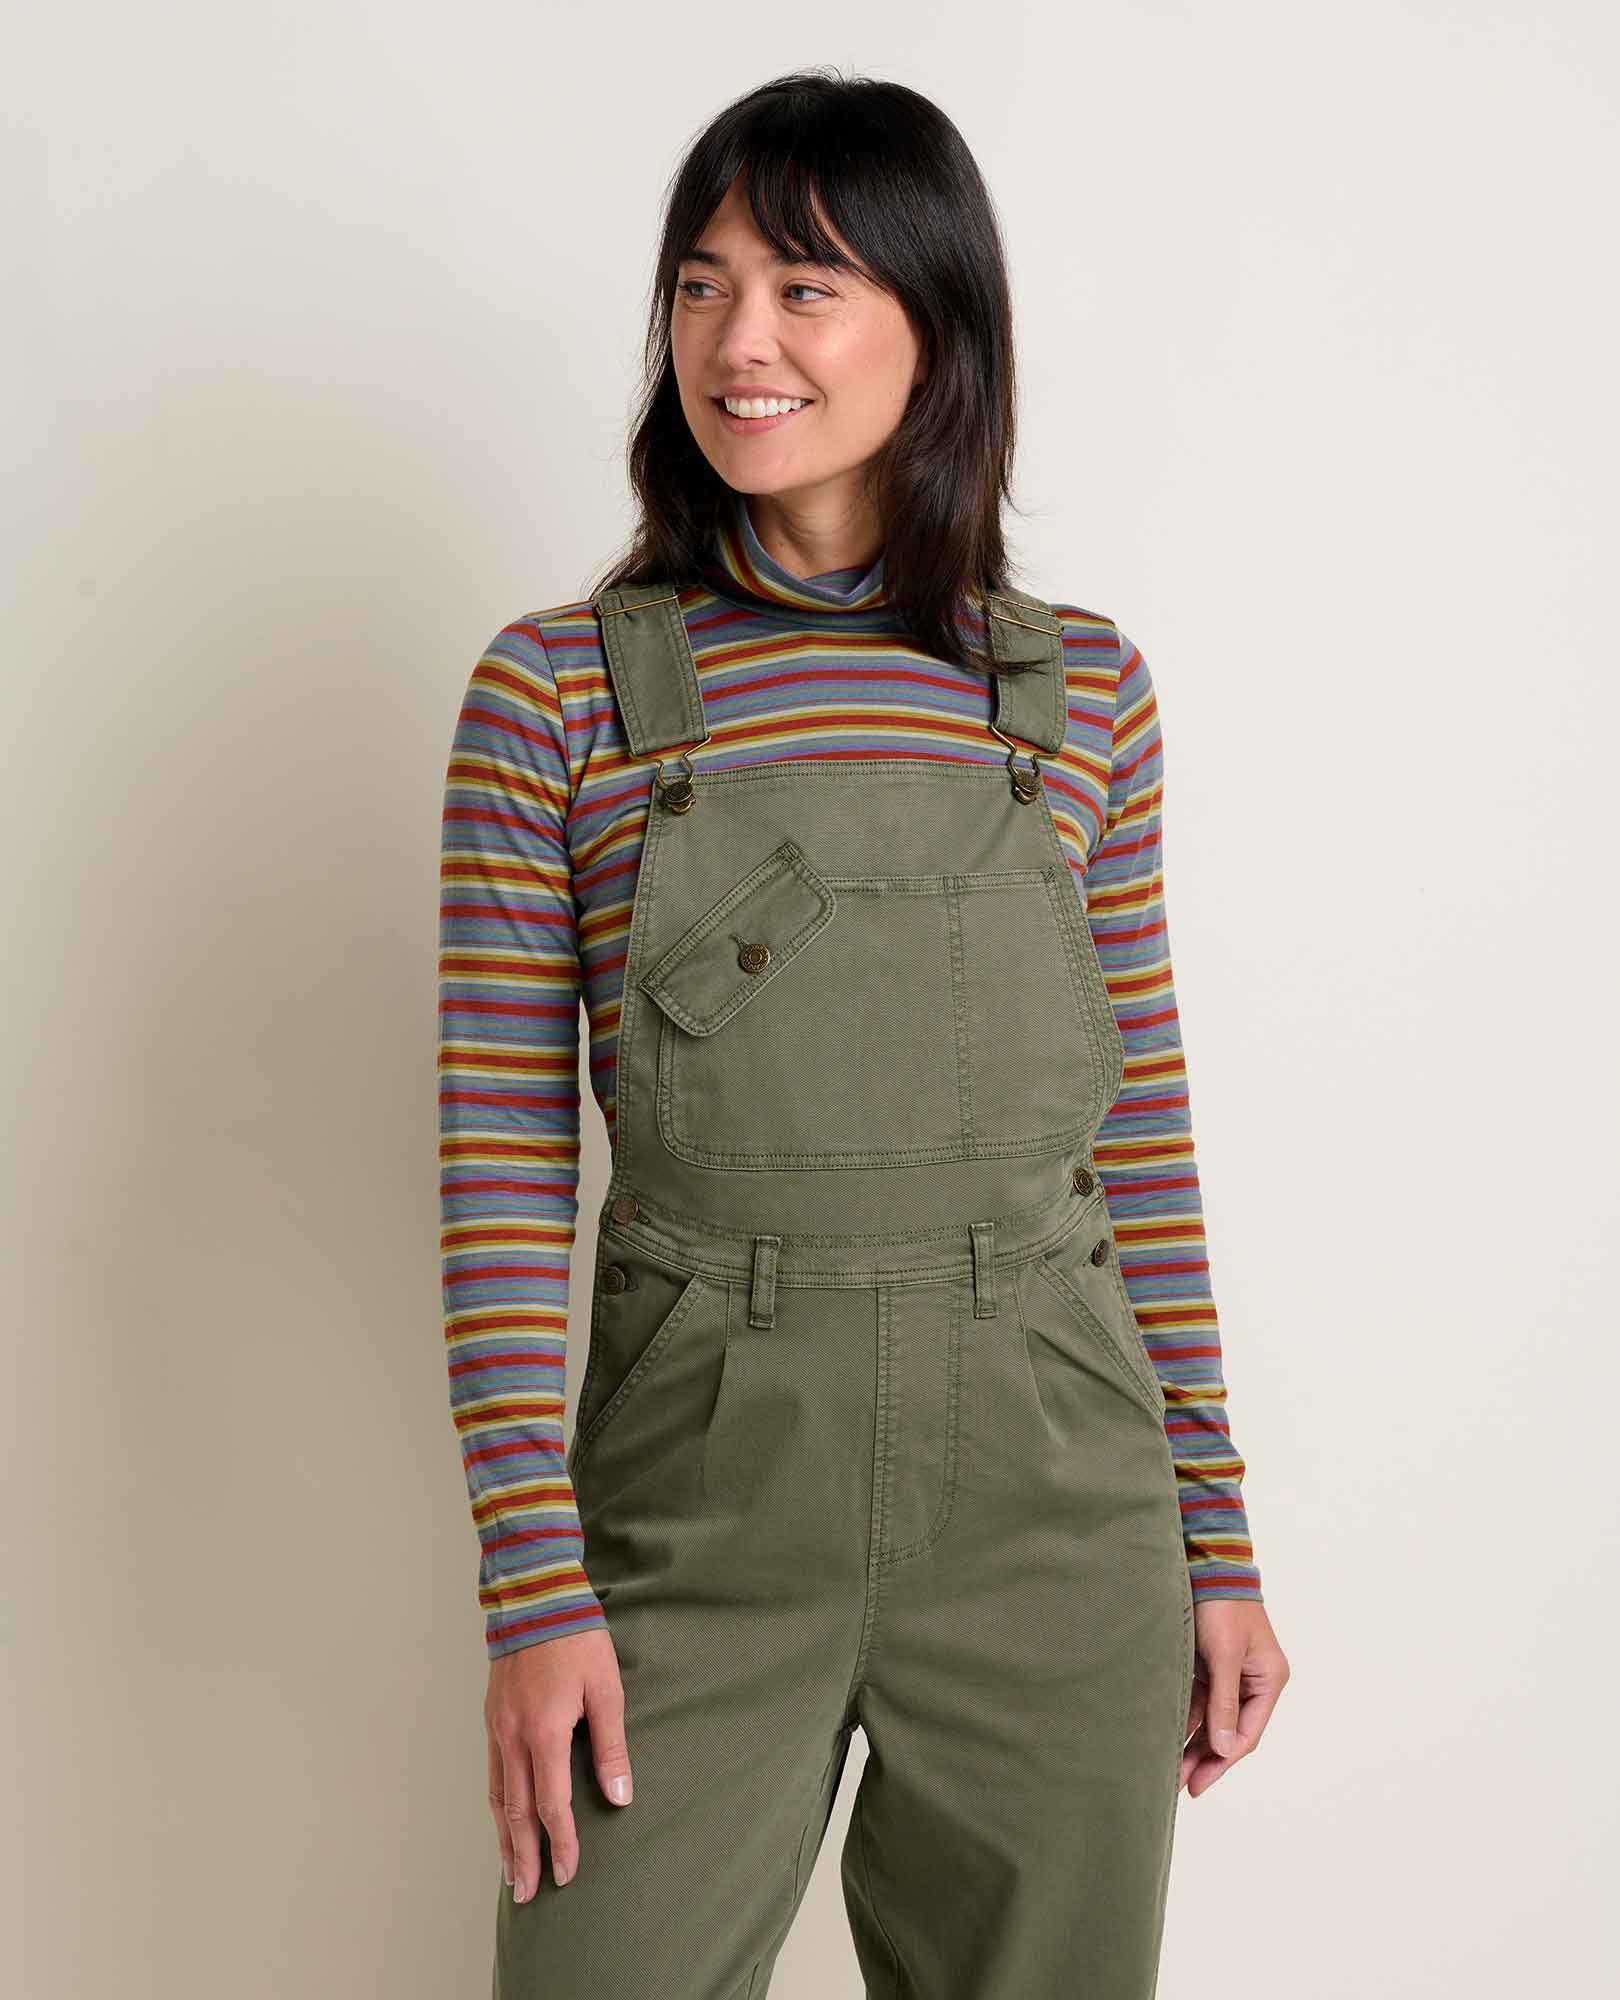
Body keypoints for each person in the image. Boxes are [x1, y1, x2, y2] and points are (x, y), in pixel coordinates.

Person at [438, 67, 1290, 1999]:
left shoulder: (1081, 697)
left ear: (938, 324)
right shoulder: (558, 692)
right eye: (702, 284)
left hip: (1057, 1508)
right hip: (698, 1507)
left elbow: (1138, 1140)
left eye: (806, 287)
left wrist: (1217, 1542)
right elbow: (499, 1171)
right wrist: (532, 1585)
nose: (738, 340)